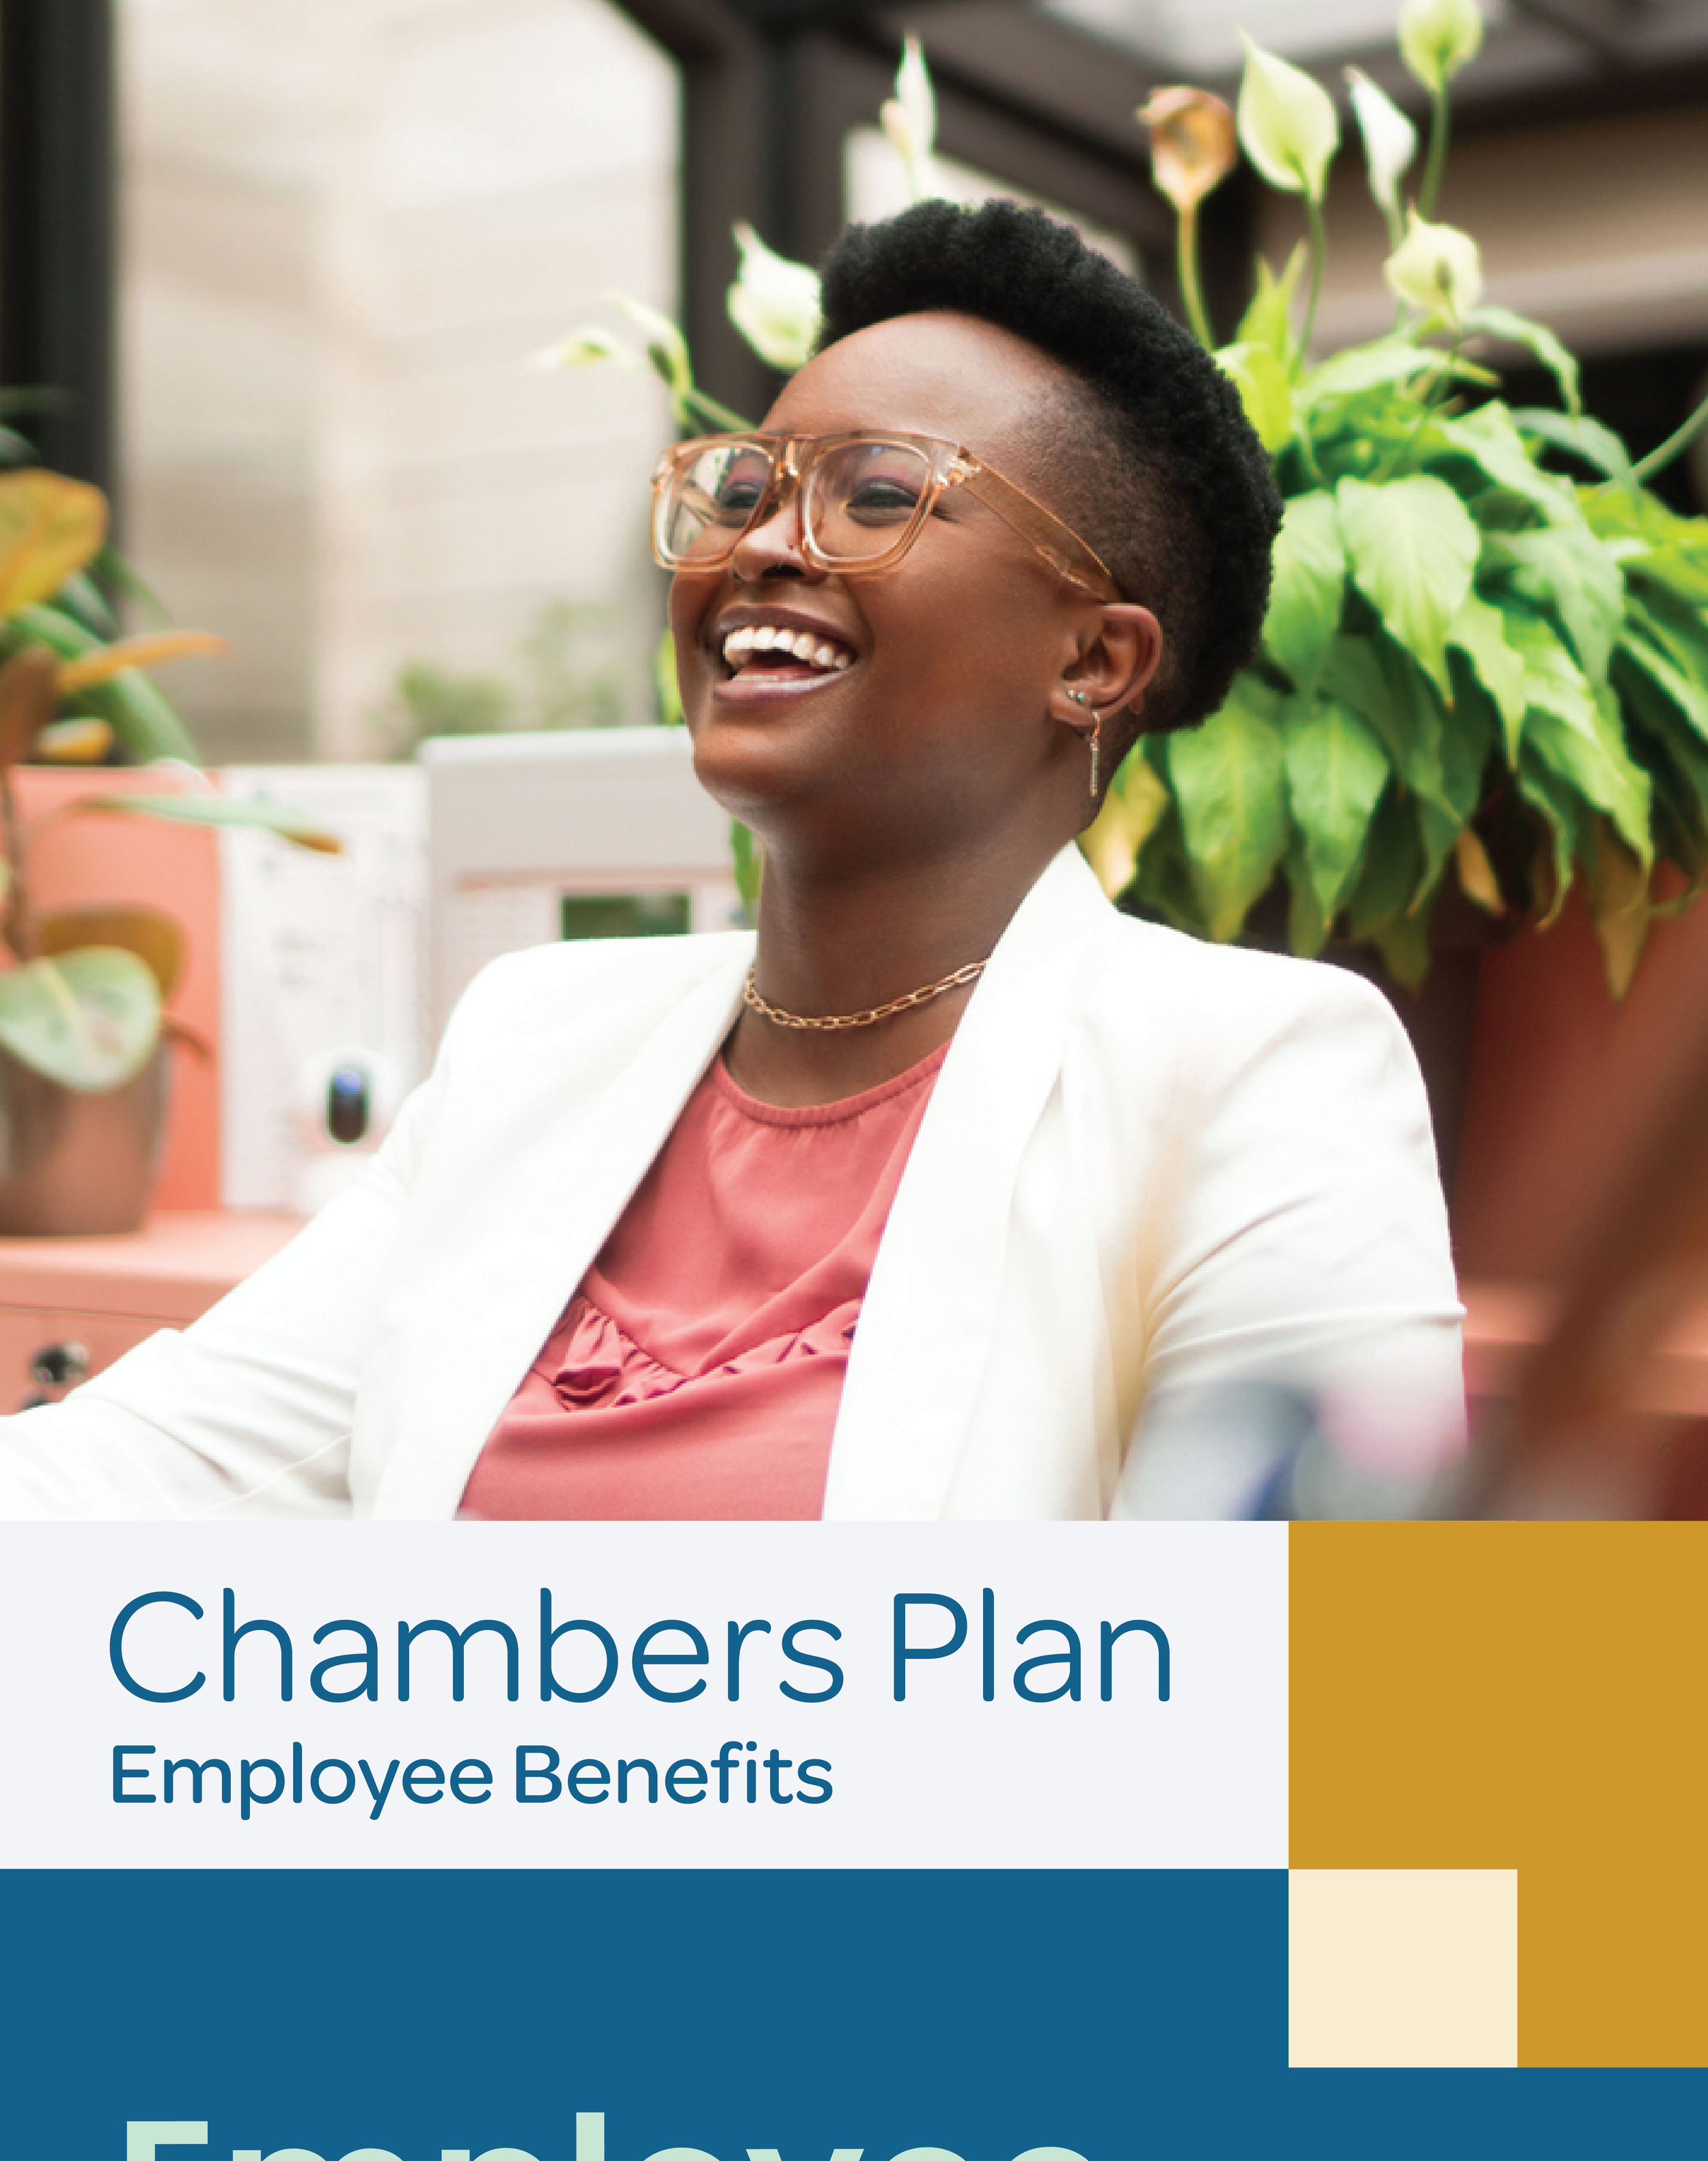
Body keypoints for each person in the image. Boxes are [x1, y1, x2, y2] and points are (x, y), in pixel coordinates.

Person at [0, 200, 1461, 1522]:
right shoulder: (533, 1039)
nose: (762, 543)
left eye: (877, 495)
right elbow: (153, 1471)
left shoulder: (1249, 1071)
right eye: (745, 486)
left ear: (1091, 659)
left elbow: (1327, 1701)